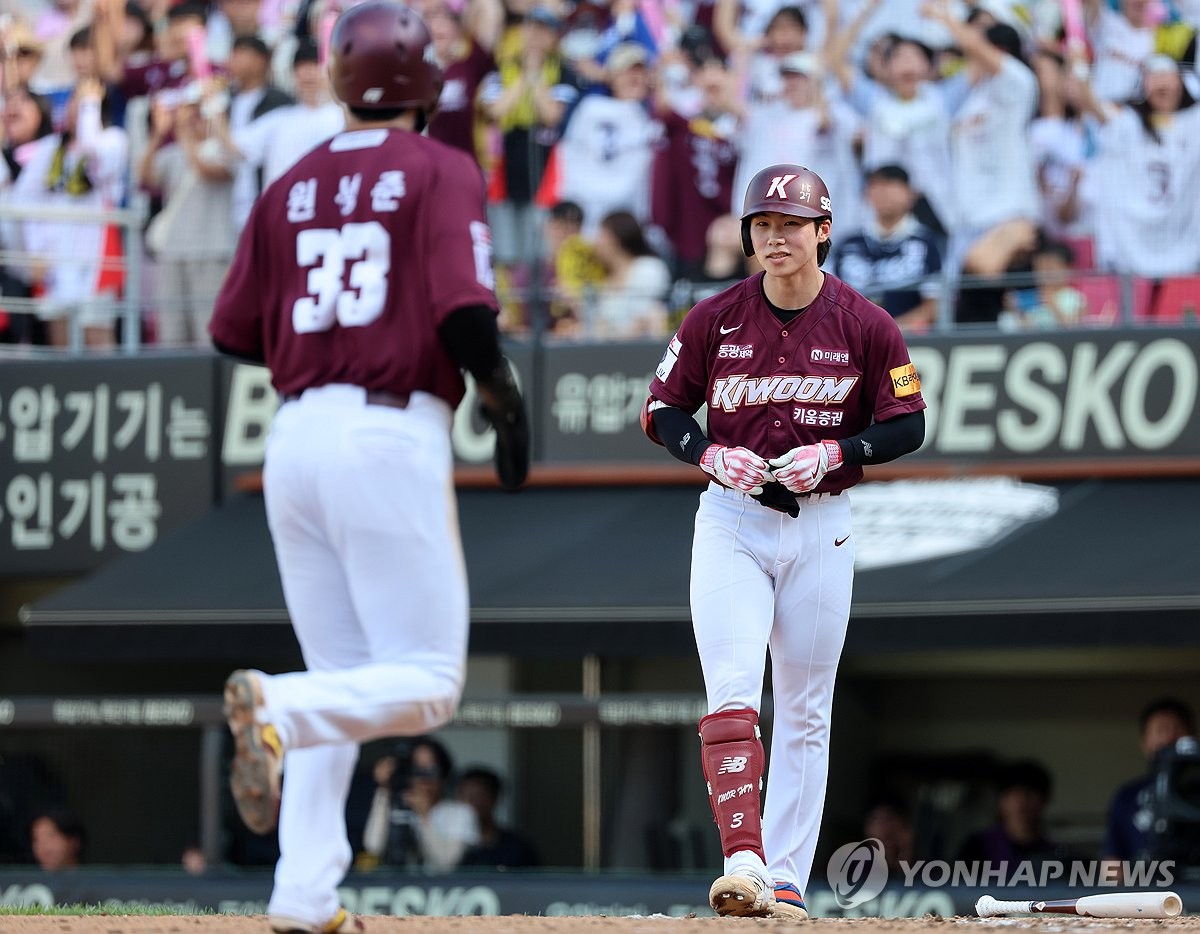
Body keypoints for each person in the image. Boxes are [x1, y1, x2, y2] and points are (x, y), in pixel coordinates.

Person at [208, 3, 529, 931]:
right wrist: (502, 397)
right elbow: (467, 314)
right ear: (426, 83)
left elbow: (232, 334)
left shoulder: (290, 181)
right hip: (387, 430)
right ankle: (273, 704)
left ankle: (302, 896)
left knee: (341, 679)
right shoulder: (438, 165)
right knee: (425, 680)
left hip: (294, 431)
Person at [641, 163, 926, 919]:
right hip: (732, 518)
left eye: (790, 225)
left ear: (823, 232)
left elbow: (908, 424)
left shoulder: (865, 321)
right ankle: (745, 859)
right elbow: (662, 409)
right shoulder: (715, 318)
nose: (775, 239)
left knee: (805, 708)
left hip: (824, 523)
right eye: (762, 226)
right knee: (734, 693)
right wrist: (706, 453)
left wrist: (841, 453)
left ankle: (789, 877)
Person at [832, 164, 943, 331]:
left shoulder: (927, 243)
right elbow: (828, 300)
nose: (884, 192)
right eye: (876, 185)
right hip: (850, 338)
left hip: (907, 340)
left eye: (892, 185)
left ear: (910, 194)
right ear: (866, 193)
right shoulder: (848, 244)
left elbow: (934, 305)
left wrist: (889, 331)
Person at [359, 737, 479, 871]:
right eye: (417, 769)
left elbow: (446, 862)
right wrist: (384, 790)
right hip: (395, 886)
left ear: (443, 773)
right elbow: (373, 847)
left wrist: (424, 816)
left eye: (430, 770)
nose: (423, 778)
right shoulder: (397, 805)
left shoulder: (459, 813)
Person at [1104, 698, 1195, 863]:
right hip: (1144, 884)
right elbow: (1111, 863)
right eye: (1161, 730)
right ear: (1145, 743)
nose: (1169, 738)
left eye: (1177, 729)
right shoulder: (1127, 797)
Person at [957, 760, 1070, 870]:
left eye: (1029, 794)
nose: (1021, 803)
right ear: (1001, 801)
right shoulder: (978, 846)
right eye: (1012, 794)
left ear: (1044, 800)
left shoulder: (1056, 854)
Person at [588, 209, 671, 339]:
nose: (596, 243)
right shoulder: (604, 279)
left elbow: (645, 321)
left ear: (616, 238)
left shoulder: (648, 268)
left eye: (601, 235)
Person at [457, 766, 539, 869]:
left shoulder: (517, 848)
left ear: (494, 798)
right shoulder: (450, 846)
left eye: (477, 796)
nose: (470, 803)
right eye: (464, 796)